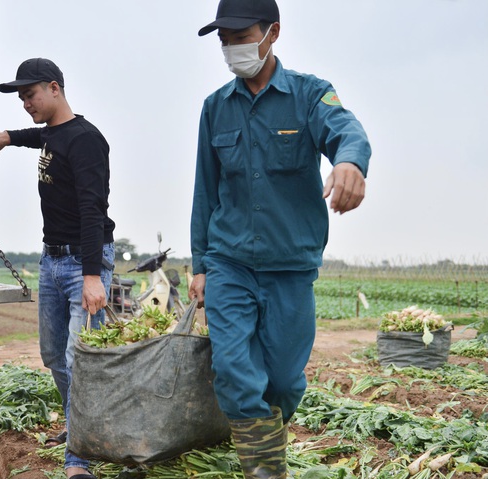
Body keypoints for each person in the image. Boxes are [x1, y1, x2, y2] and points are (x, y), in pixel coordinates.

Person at [189, 0, 371, 477]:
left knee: (286, 383)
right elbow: (205, 194)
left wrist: (349, 161)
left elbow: (345, 128)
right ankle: (265, 471)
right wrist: (201, 265)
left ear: (272, 33)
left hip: (291, 267)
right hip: (230, 263)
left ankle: (261, 442)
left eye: (240, 36)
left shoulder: (310, 95)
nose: (231, 48)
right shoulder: (215, 109)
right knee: (233, 370)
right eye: (224, 40)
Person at [0, 57, 115, 479]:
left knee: (80, 361)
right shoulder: (54, 135)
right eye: (20, 98)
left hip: (82, 265)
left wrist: (92, 276)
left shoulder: (87, 140)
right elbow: (40, 136)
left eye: (30, 94)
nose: (25, 103)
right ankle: (79, 426)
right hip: (50, 261)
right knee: (54, 355)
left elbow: (93, 210)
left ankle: (79, 460)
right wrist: (6, 137)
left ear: (54, 88)